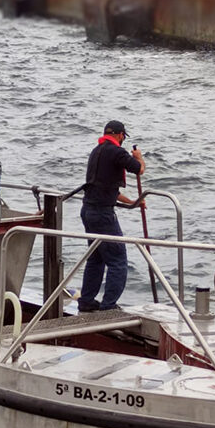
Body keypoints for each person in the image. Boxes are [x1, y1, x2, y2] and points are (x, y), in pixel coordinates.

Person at [78, 120, 145, 312]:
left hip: (88, 211)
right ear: (120, 134)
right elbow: (139, 169)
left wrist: (133, 202)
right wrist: (139, 157)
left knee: (96, 258)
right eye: (123, 136)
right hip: (102, 215)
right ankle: (108, 307)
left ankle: (87, 301)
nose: (123, 139)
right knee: (118, 261)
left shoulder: (96, 151)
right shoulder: (117, 152)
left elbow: (107, 190)